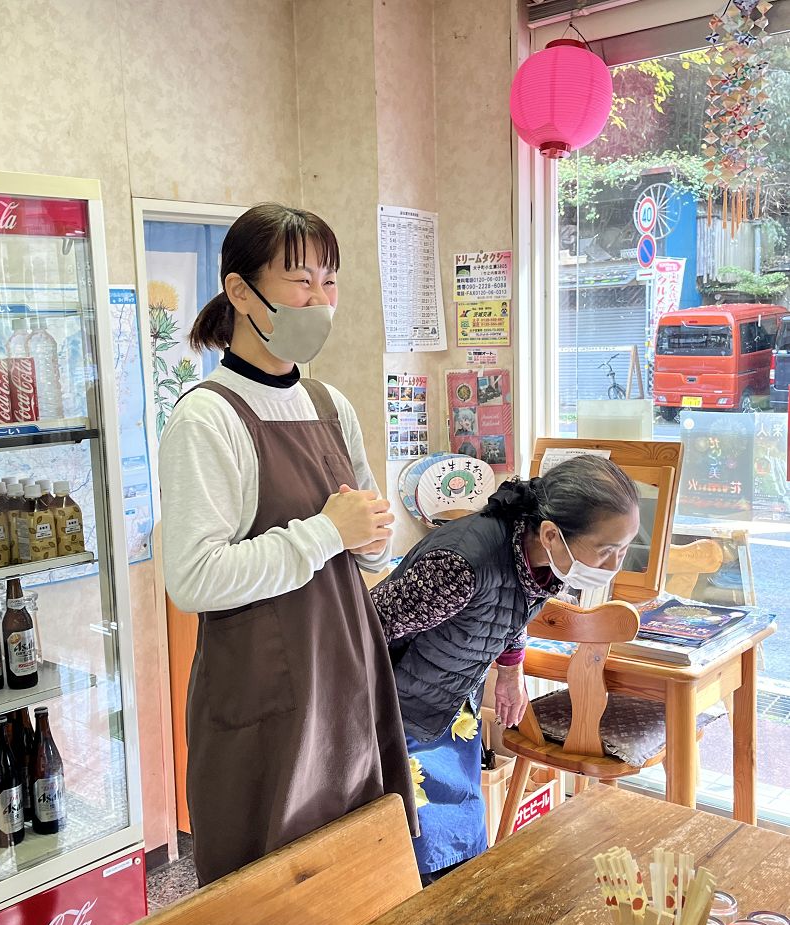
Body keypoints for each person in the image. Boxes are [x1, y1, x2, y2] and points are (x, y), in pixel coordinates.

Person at [159, 203, 418, 886]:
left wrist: (369, 540)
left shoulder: (332, 405)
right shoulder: (208, 418)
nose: (319, 300)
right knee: (272, 898)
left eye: (329, 283)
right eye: (300, 281)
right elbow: (193, 578)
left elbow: (368, 548)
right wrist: (326, 531)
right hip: (265, 691)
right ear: (241, 292)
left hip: (344, 671)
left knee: (356, 879)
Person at [371, 455, 639, 884]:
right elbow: (365, 632)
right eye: (607, 551)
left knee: (458, 845)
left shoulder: (539, 555)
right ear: (552, 533)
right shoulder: (459, 565)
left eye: (624, 550)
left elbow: (512, 610)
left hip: (451, 703)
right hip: (393, 714)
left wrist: (512, 674)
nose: (614, 566)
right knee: (412, 852)